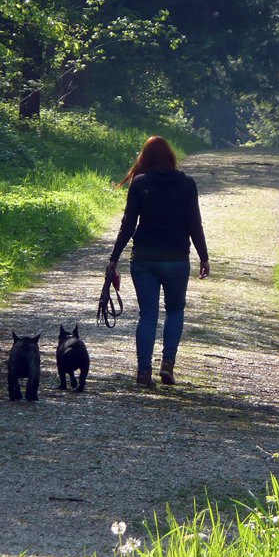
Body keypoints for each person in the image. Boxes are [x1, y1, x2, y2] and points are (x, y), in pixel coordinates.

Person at [106, 136, 210, 388]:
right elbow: (194, 223)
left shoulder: (140, 183)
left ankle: (143, 371)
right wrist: (203, 257)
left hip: (144, 260)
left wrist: (114, 258)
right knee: (175, 310)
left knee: (148, 315)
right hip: (176, 259)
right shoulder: (187, 184)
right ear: (171, 156)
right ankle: (167, 365)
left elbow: (128, 225)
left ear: (146, 158)